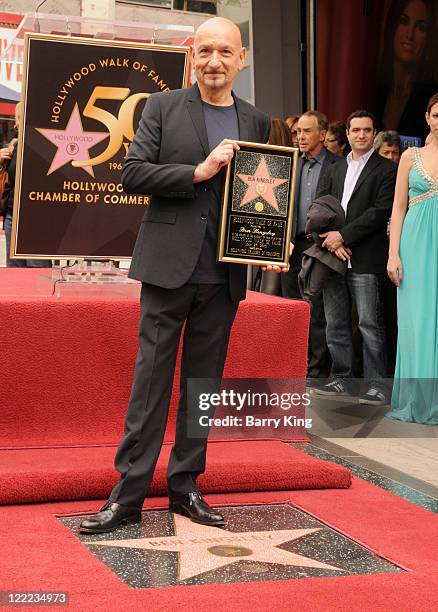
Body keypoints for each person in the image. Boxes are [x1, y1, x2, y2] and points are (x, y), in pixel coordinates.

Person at [80, 17, 272, 535]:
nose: (215, 61)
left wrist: (273, 239)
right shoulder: (162, 107)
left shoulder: (257, 120)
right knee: (151, 383)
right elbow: (132, 171)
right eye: (205, 50)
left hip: (225, 273)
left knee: (202, 385)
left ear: (242, 59)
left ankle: (185, 485)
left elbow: (263, 192)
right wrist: (198, 171)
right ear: (193, 56)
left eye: (225, 52)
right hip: (168, 267)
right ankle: (129, 494)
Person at [314, 110, 397, 404]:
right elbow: (320, 205)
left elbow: (379, 212)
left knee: (369, 324)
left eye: (367, 130)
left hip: (365, 257)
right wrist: (331, 240)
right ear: (347, 133)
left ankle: (378, 385)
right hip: (333, 257)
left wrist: (344, 236)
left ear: (374, 133)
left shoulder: (386, 169)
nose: (361, 135)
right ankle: (342, 379)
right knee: (336, 323)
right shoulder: (334, 167)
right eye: (356, 130)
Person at [386, 93, 438, 423]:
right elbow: (398, 207)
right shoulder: (410, 156)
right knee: (418, 322)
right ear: (428, 116)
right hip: (415, 244)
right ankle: (420, 400)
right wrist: (393, 254)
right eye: (437, 113)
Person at [281, 110, 340, 380]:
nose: (300, 136)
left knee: (315, 311)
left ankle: (316, 372)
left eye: (306, 131)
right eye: (297, 132)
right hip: (291, 246)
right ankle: (294, 365)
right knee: (292, 309)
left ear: (323, 134)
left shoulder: (337, 166)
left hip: (319, 246)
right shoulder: (291, 163)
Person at [377, 0, 438, 141]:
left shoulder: (433, 98)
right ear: (393, 27)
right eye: (404, 21)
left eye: (421, 27)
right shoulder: (372, 89)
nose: (410, 35)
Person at [1, 103, 51, 268]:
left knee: (37, 272)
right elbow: (10, 181)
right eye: (18, 119)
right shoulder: (14, 146)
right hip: (12, 215)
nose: (18, 123)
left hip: (36, 217)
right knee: (16, 276)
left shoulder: (46, 144)